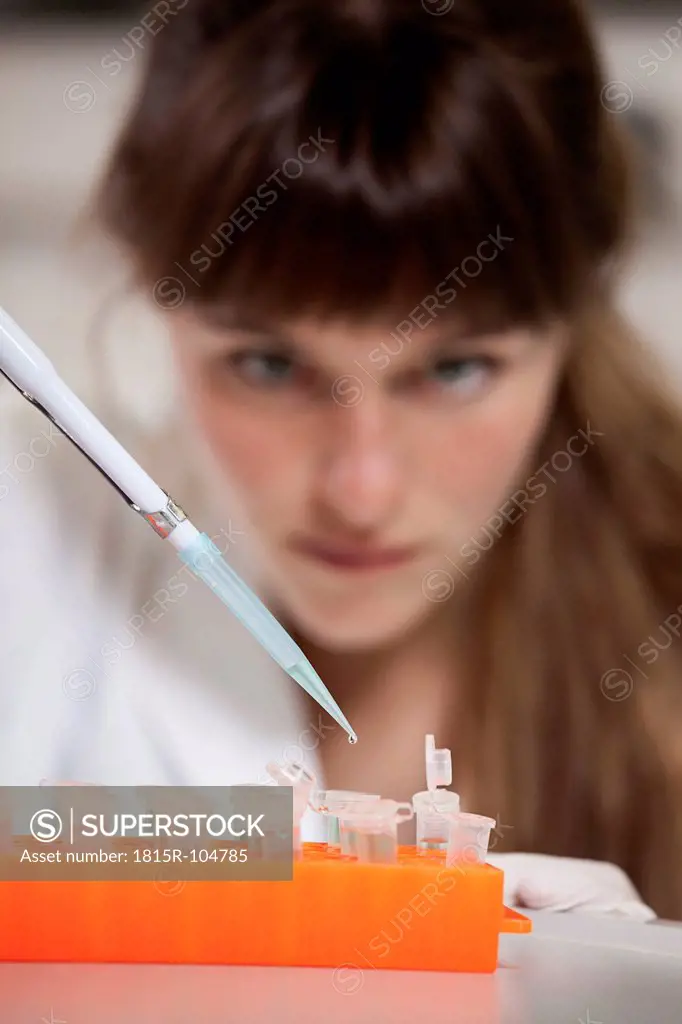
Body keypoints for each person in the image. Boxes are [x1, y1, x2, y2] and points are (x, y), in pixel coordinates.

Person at [1, 0, 681, 921]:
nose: (361, 490)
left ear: (574, 316)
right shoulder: (43, 545)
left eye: (455, 369)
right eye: (269, 366)